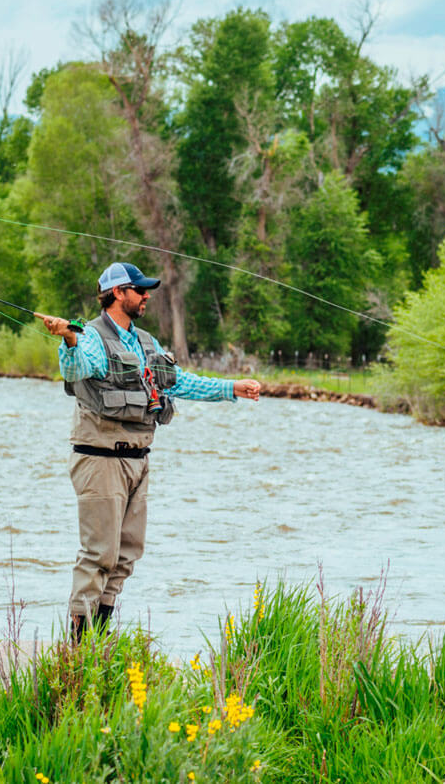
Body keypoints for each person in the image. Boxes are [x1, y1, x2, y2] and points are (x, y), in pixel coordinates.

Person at [38, 261, 261, 644]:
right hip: (100, 460)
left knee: (124, 558)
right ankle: (77, 653)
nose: (147, 296)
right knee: (99, 557)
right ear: (118, 293)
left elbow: (179, 382)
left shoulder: (145, 342)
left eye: (147, 290)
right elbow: (77, 369)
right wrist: (68, 340)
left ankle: (100, 647)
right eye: (140, 290)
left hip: (138, 462)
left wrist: (231, 388)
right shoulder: (89, 336)